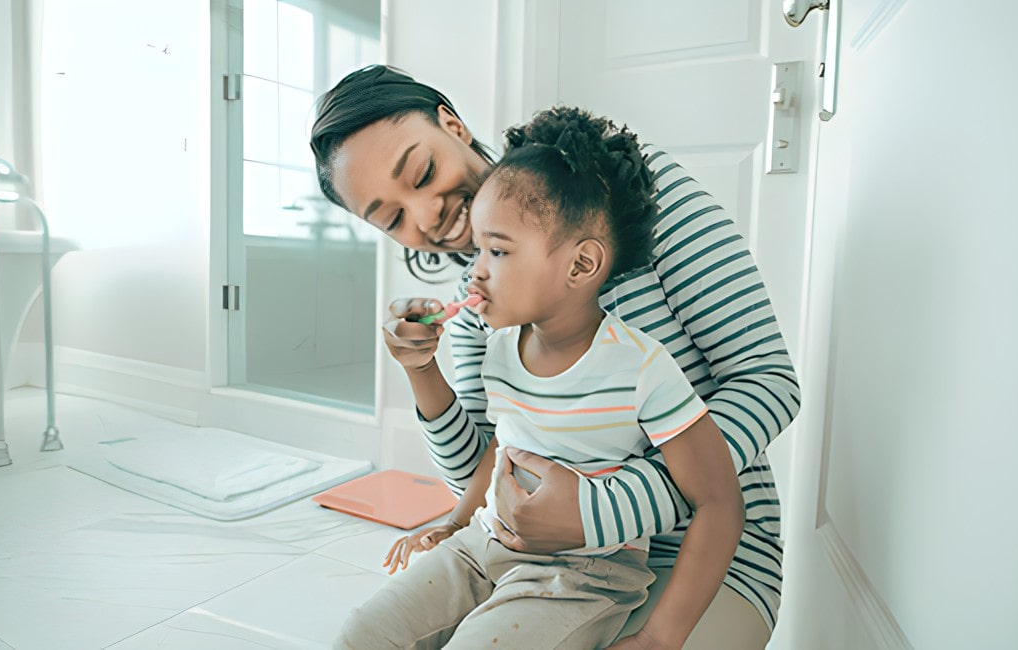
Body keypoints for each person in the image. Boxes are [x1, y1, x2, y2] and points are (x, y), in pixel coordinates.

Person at [312, 65, 800, 649]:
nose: (425, 216)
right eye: (391, 219)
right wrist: (423, 372)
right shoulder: (478, 317)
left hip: (709, 554)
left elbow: (767, 380)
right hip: (532, 560)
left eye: (422, 172)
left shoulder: (630, 198)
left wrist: (609, 508)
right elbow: (491, 476)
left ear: (452, 125)